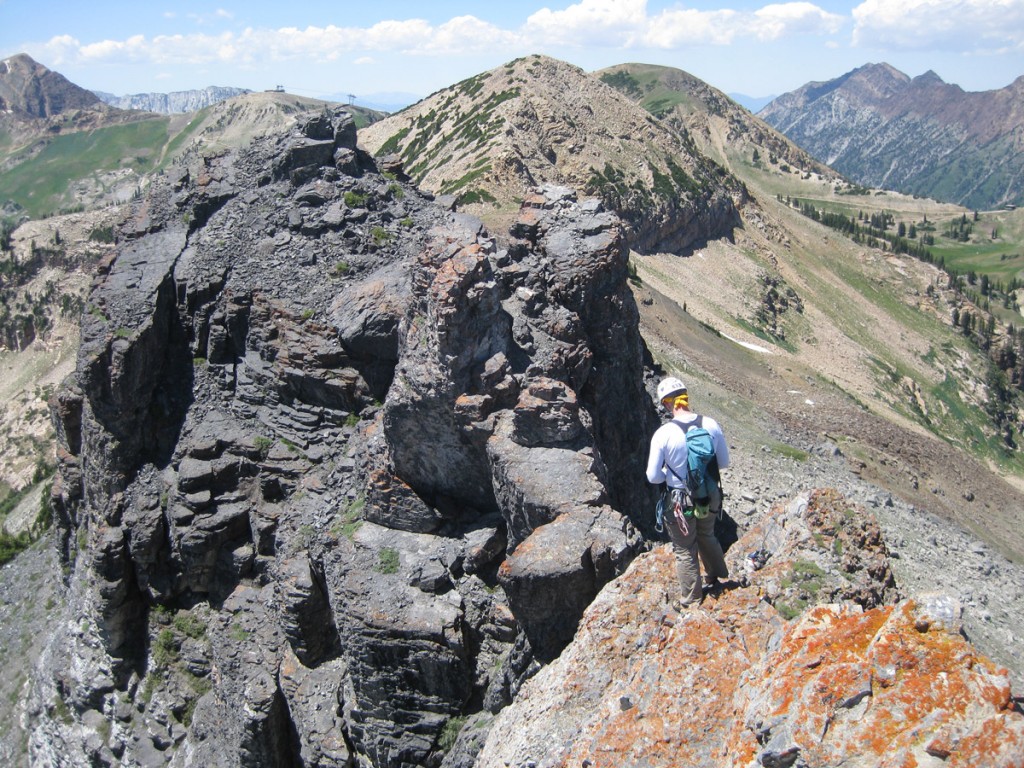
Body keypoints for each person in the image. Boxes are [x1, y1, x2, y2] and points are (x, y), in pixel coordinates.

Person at [646, 376, 730, 608]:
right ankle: (718, 576)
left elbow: (653, 476)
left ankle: (691, 600)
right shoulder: (710, 424)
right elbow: (724, 462)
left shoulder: (663, 434)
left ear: (666, 403)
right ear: (685, 397)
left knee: (684, 549)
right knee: (707, 534)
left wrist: (669, 473)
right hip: (710, 494)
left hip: (680, 501)